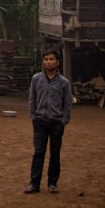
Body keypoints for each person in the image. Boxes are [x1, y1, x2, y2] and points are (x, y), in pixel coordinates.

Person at [24, 48, 72, 194]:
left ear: (57, 63)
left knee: (54, 153)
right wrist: (33, 116)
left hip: (57, 122)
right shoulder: (36, 79)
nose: (48, 62)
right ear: (43, 62)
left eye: (51, 59)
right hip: (40, 121)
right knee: (38, 152)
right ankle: (34, 184)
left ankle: (52, 183)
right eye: (46, 59)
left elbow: (67, 103)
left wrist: (64, 120)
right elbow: (32, 98)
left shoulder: (64, 82)